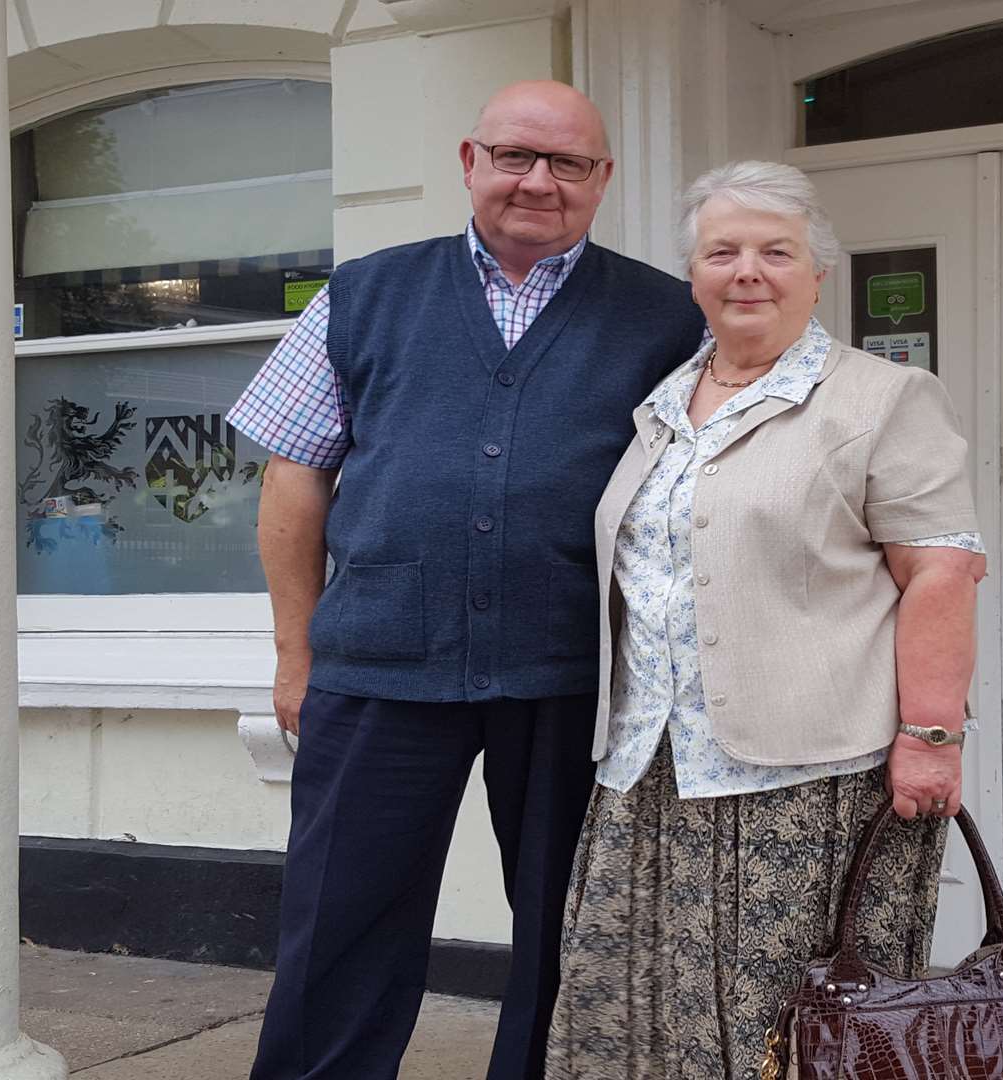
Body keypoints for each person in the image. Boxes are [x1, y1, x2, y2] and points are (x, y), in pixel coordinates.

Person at [226, 81, 707, 1080]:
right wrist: (294, 651)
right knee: (339, 924)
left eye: (568, 163)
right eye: (515, 156)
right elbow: (294, 476)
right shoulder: (365, 293)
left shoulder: (666, 315)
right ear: (468, 162)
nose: (539, 181)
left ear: (602, 179)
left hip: (575, 676)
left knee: (569, 938)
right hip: (377, 668)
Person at [544, 161, 986, 1080]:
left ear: (818, 271)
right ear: (695, 275)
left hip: (806, 781)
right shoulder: (662, 404)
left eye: (775, 251)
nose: (748, 271)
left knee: (796, 1029)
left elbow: (941, 572)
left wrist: (932, 736)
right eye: (723, 252)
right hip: (650, 769)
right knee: (632, 1013)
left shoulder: (882, 399)